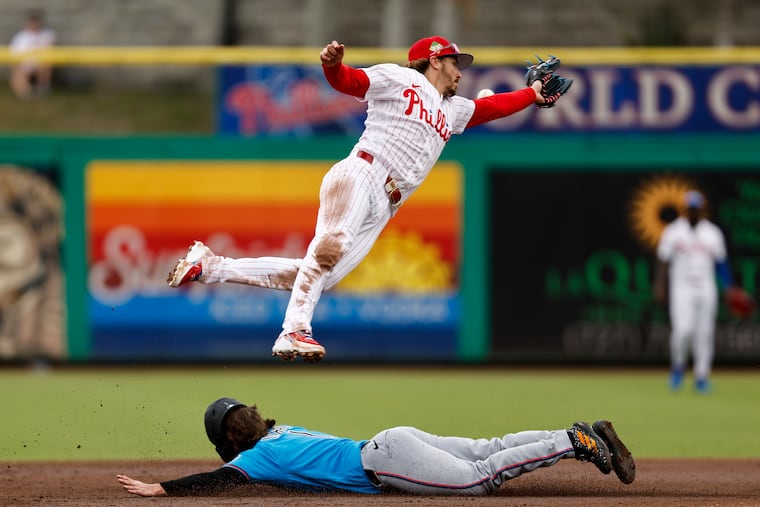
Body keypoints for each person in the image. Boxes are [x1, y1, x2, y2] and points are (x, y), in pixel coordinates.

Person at [167, 36, 569, 362]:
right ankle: (294, 331)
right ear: (434, 60)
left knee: (319, 274)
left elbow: (492, 106)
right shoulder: (400, 79)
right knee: (326, 253)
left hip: (386, 204)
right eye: (453, 62)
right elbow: (351, 83)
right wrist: (331, 65)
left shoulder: (452, 111)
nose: (458, 71)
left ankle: (210, 266)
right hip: (362, 172)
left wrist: (531, 93)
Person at [117, 397, 635, 497]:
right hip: (391, 441)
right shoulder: (281, 433)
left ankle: (575, 441)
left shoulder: (257, 458)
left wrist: (163, 488)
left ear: (226, 444)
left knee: (480, 478)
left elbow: (220, 481)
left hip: (384, 460)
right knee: (486, 447)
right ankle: (571, 433)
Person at [654, 190, 735, 393]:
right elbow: (663, 260)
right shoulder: (673, 231)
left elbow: (721, 263)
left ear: (701, 210)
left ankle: (701, 375)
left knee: (704, 333)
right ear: (684, 209)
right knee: (683, 331)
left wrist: (729, 286)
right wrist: (660, 285)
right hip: (681, 287)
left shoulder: (712, 232)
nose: (693, 212)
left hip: (706, 286)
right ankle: (678, 367)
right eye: (690, 208)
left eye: (696, 208)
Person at [9, 9, 56, 99]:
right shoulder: (21, 36)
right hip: (25, 64)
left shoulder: (47, 34)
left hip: (41, 63)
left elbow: (51, 51)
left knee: (45, 66)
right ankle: (26, 94)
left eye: (36, 20)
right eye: (32, 20)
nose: (35, 23)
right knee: (17, 72)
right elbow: (14, 56)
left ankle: (42, 90)